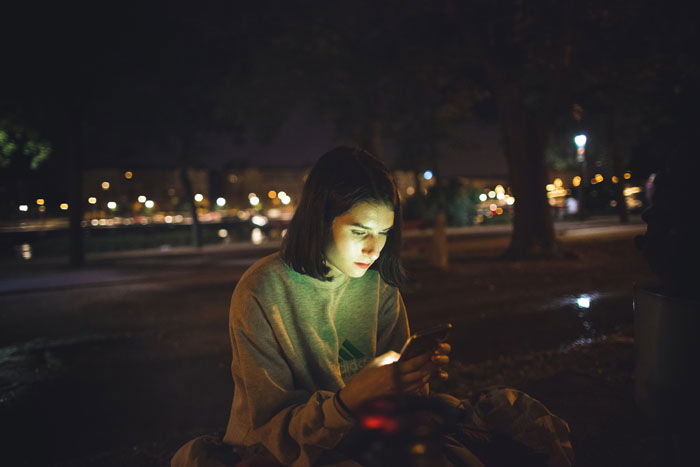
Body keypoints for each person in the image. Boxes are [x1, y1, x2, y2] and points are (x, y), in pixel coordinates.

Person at [172, 147, 574, 466]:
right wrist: (348, 401)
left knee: (509, 424)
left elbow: (398, 400)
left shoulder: (377, 285)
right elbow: (268, 430)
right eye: (360, 231)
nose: (373, 248)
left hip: (371, 434)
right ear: (319, 219)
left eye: (383, 232)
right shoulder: (263, 291)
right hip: (285, 448)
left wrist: (413, 379)